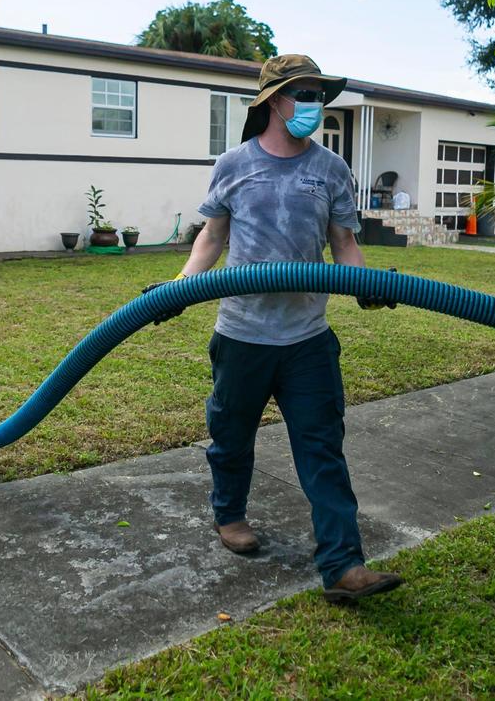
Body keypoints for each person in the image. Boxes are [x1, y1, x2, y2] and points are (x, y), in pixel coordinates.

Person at [144, 55, 402, 604]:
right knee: (231, 435)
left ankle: (343, 564)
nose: (313, 103)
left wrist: (366, 284)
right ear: (273, 101)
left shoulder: (332, 169)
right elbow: (212, 237)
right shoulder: (234, 163)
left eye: (317, 93)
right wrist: (178, 288)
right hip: (241, 332)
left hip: (307, 337)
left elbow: (344, 243)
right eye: (301, 93)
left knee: (322, 447)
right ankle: (230, 515)